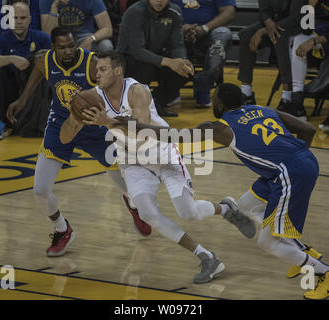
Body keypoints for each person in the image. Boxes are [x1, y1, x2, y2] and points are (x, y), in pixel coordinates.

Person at [111, 82, 329, 299]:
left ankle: (323, 273)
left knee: (267, 243)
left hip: (288, 173)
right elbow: (308, 129)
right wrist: (297, 157)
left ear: (220, 104)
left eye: (214, 97)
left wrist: (136, 125)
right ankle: (302, 253)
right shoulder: (260, 109)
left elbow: (174, 136)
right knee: (246, 205)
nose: (213, 101)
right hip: (297, 163)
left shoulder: (220, 128)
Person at [60, 50, 257, 283]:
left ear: (117, 71)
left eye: (102, 69)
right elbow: (64, 138)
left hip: (161, 154)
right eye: (95, 70)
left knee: (188, 212)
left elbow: (141, 136)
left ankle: (226, 209)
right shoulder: (92, 97)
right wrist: (75, 116)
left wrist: (108, 122)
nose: (96, 74)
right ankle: (206, 257)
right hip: (132, 162)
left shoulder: (137, 92)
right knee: (147, 213)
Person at [6, 26, 150, 257]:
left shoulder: (92, 64)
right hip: (61, 125)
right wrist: (23, 100)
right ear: (53, 48)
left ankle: (133, 205)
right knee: (40, 190)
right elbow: (38, 71)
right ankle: (62, 229)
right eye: (62, 47)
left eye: (71, 45)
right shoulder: (45, 60)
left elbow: (115, 86)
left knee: (129, 187)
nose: (68, 51)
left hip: (94, 126)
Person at [116, 0, 195, 117]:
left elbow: (177, 45)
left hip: (157, 58)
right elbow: (138, 51)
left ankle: (155, 103)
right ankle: (133, 105)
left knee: (186, 72)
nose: (159, 0)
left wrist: (181, 60)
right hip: (129, 60)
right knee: (148, 69)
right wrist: (169, 62)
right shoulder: (134, 12)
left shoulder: (175, 12)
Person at [0, 1, 51, 139]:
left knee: (46, 62)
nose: (18, 22)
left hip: (34, 92)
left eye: (22, 18)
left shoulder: (41, 38)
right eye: (15, 18)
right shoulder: (1, 40)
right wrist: (11, 59)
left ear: (30, 20)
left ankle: (47, 119)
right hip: (10, 91)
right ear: (9, 20)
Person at [238, 0, 305, 114]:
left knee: (279, 37)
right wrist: (268, 22)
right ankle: (246, 93)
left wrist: (263, 31)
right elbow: (264, 11)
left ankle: (287, 97)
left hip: (296, 25)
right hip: (273, 23)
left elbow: (296, 17)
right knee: (246, 35)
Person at [172, 0, 236, 108]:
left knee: (223, 34)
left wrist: (204, 28)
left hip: (209, 32)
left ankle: (203, 86)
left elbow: (229, 12)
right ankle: (171, 88)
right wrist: (180, 28)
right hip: (177, 33)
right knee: (166, 32)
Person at [288, 0, 329, 120]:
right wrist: (310, 6)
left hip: (323, 38)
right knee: (298, 40)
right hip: (320, 38)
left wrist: (316, 40)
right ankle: (297, 98)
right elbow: (305, 30)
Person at [39, 0, 114, 54]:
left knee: (106, 46)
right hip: (60, 36)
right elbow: (48, 34)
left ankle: (100, 72)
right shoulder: (46, 1)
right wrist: (54, 6)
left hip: (84, 36)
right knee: (45, 50)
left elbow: (107, 29)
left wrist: (90, 39)